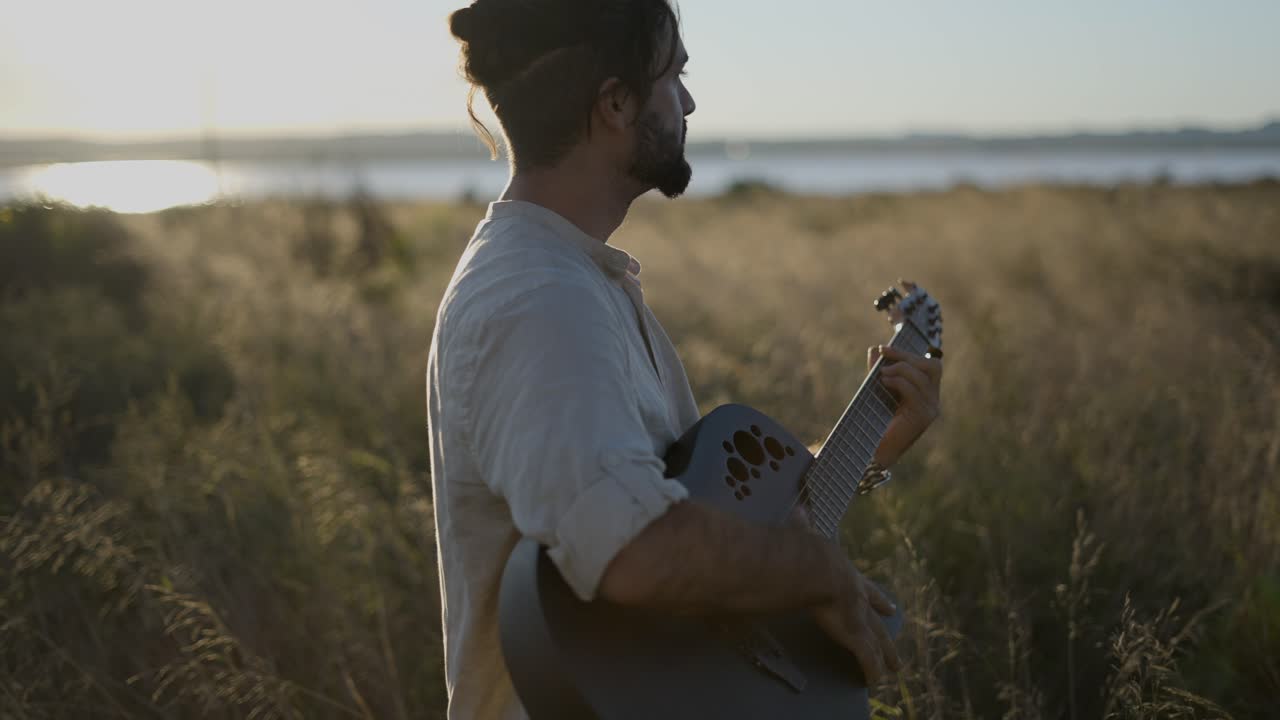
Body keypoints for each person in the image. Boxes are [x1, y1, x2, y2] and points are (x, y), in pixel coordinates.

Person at [426, 1, 943, 717]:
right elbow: (634, 547)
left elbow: (667, 516)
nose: (689, 99)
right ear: (615, 102)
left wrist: (867, 451)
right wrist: (818, 572)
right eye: (674, 75)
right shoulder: (539, 301)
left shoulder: (575, 280)